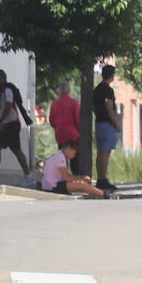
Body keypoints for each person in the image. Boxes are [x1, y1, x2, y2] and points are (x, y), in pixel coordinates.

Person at [0, 69, 34, 186]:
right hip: (5, 124)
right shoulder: (2, 90)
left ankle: (28, 176)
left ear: (2, 78)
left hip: (11, 124)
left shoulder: (7, 90)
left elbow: (8, 105)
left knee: (16, 150)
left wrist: (1, 119)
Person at [41, 137, 107, 199]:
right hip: (52, 187)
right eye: (74, 153)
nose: (74, 156)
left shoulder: (58, 155)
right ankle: (104, 195)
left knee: (79, 184)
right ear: (68, 148)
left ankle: (99, 194)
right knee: (81, 184)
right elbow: (67, 178)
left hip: (51, 185)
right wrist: (82, 178)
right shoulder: (60, 157)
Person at [92, 64, 122, 192]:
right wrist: (117, 123)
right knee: (105, 152)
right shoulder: (108, 90)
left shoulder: (97, 89)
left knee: (100, 152)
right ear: (112, 75)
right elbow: (109, 108)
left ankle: (100, 178)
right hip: (107, 124)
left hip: (99, 121)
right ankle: (102, 179)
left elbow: (93, 106)